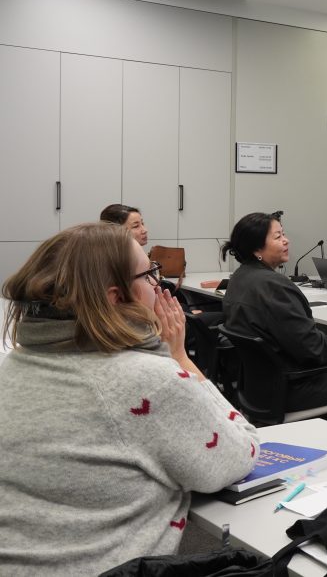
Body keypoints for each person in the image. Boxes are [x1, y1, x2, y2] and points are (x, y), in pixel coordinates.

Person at [0, 223, 258, 575]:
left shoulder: (11, 367)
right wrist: (180, 359)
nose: (158, 284)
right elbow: (238, 454)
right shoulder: (145, 380)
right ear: (116, 298)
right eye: (149, 274)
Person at [220, 212, 327, 413]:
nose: (286, 240)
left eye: (284, 234)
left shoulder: (239, 277)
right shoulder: (273, 286)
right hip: (287, 389)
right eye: (278, 237)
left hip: (255, 387)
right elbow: (312, 349)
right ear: (257, 249)